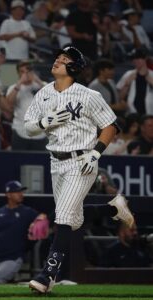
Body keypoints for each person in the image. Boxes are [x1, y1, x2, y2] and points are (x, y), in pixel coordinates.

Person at [23, 46, 135, 294]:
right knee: (73, 220)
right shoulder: (43, 93)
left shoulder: (89, 95)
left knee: (62, 216)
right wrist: (45, 122)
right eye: (58, 58)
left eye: (63, 60)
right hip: (55, 161)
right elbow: (27, 128)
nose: (57, 61)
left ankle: (47, 275)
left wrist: (96, 153)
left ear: (73, 68)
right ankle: (113, 208)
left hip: (82, 160)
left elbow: (110, 126)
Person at [0, 180, 49, 283]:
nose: (21, 194)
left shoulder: (27, 212)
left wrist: (43, 220)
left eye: (21, 192)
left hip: (13, 258)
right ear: (8, 194)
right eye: (17, 192)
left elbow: (43, 219)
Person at [5, 60, 47, 150]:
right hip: (20, 131)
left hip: (40, 133)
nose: (25, 74)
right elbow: (8, 103)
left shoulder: (43, 86)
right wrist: (19, 83)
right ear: (18, 73)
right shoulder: (14, 87)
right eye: (22, 72)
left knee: (40, 162)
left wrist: (37, 80)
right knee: (18, 162)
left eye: (28, 71)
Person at [116, 48, 153, 116]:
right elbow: (119, 97)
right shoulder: (128, 74)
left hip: (150, 113)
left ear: (145, 59)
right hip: (132, 114)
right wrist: (127, 84)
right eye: (134, 59)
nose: (136, 61)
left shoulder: (152, 75)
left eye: (139, 58)